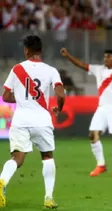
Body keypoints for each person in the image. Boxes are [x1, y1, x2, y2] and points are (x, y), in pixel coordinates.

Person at [0, 35, 65, 209]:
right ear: (41, 50)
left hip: (21, 120)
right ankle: (48, 198)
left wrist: (21, 99)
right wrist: (59, 107)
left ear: (26, 50)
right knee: (47, 156)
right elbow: (60, 93)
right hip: (42, 120)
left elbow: (5, 96)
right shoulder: (51, 70)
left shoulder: (17, 69)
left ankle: (2, 181)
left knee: (17, 158)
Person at [60, 48, 112, 178]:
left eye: (108, 57)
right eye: (104, 57)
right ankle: (101, 165)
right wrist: (68, 55)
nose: (105, 59)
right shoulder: (98, 69)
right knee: (92, 135)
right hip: (102, 108)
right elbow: (81, 65)